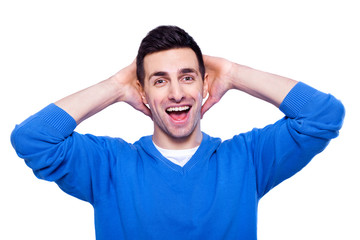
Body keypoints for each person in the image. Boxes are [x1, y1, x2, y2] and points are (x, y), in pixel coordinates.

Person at [10, 25, 345, 239]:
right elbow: (32, 139)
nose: (176, 93)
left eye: (187, 77)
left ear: (203, 86)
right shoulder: (108, 166)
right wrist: (114, 86)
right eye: (160, 80)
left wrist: (232, 72)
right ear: (142, 92)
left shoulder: (247, 159)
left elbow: (322, 115)